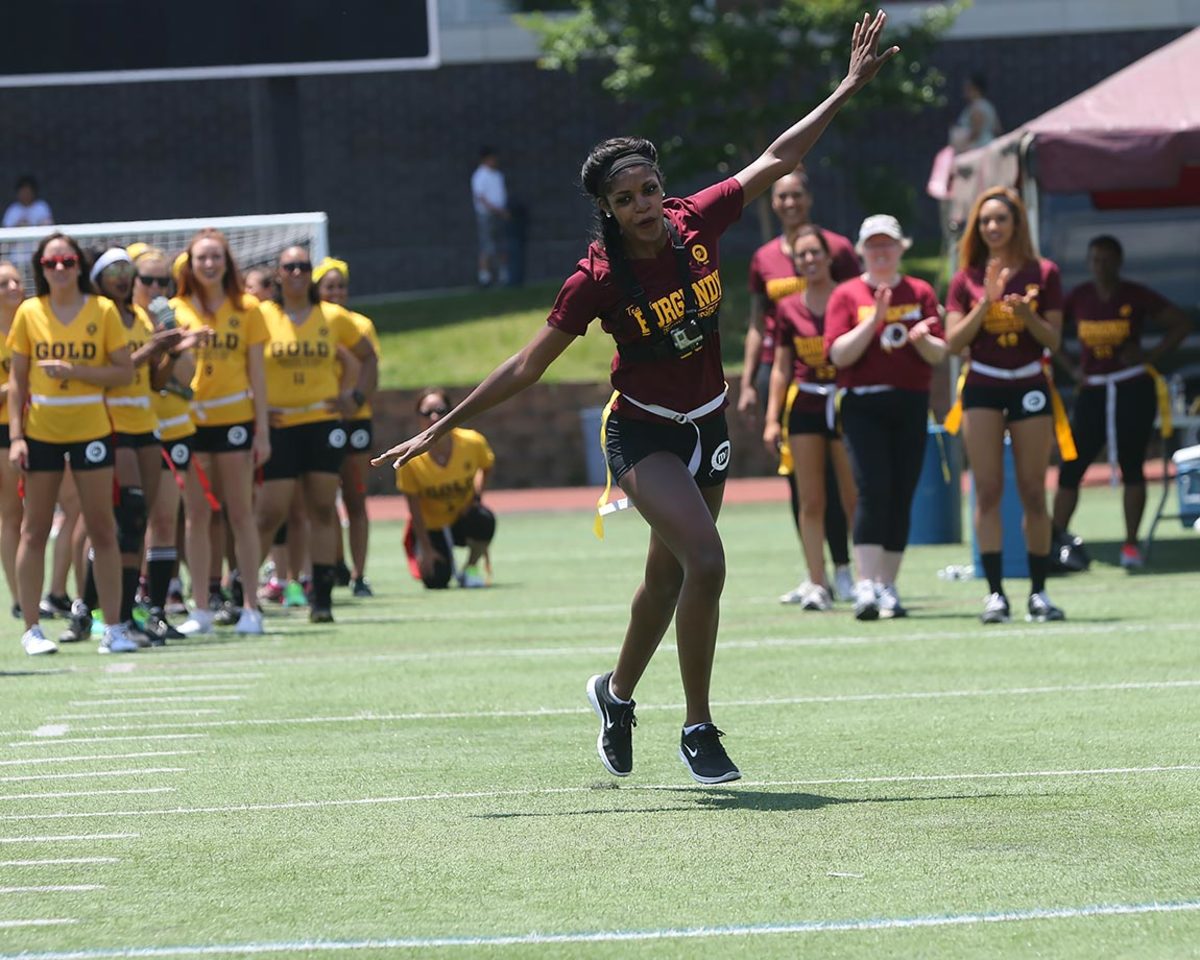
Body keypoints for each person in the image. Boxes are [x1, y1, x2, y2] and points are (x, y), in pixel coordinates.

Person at [374, 12, 896, 785]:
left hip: (708, 423)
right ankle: (698, 726)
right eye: (627, 199)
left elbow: (778, 157)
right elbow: (527, 365)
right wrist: (440, 424)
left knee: (668, 577)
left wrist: (845, 89)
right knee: (708, 562)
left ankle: (615, 696)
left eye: (650, 188)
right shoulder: (598, 279)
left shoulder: (698, 220)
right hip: (642, 435)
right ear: (608, 210)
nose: (645, 205)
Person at [945, 187, 1071, 625]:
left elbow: (1054, 340)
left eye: (1001, 219)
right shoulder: (965, 277)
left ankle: (1039, 591)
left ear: (1017, 223)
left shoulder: (1044, 272)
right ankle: (995, 593)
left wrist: (1026, 315)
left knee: (1034, 492)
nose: (993, 228)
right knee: (988, 490)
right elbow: (952, 342)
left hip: (1030, 384)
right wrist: (985, 302)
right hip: (982, 385)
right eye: (985, 221)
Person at [7, 233, 136, 655]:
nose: (59, 268)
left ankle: (115, 627)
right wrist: (17, 437)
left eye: (66, 260)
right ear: (40, 269)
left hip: (91, 430)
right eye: (51, 262)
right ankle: (32, 628)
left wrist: (76, 370)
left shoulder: (102, 310)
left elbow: (122, 373)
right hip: (42, 432)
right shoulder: (30, 311)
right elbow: (19, 381)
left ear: (79, 265)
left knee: (102, 526)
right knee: (34, 528)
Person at [737, 170, 860, 604]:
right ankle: (816, 575)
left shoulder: (837, 250)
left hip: (834, 371)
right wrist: (749, 380)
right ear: (772, 203)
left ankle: (848, 568)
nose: (789, 203)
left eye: (796, 195)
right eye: (781, 196)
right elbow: (757, 323)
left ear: (809, 199)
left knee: (842, 479)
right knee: (800, 482)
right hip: (785, 369)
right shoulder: (764, 258)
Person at [826, 215, 946, 620]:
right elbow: (838, 355)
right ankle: (866, 584)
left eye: (888, 245)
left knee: (901, 492)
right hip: (863, 405)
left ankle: (888, 584)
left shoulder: (920, 291)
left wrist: (923, 339)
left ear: (901, 248)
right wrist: (874, 321)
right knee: (872, 487)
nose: (881, 253)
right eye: (873, 245)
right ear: (861, 250)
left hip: (910, 402)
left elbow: (939, 353)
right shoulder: (846, 295)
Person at [1052, 235, 1190, 568]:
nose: (1100, 265)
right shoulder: (1080, 297)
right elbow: (1049, 333)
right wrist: (1072, 368)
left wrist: (1148, 357)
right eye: (1094, 259)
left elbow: (1181, 324)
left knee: (1132, 465)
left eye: (1106, 259)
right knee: (1072, 465)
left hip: (1131, 388)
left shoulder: (1134, 295)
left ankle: (1130, 545)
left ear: (1118, 262)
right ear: (1088, 263)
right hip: (1094, 390)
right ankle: (1055, 541)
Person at [255, 247, 377, 622]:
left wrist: (355, 398)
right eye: (289, 266)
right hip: (279, 427)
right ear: (278, 273)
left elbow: (367, 357)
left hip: (322, 424)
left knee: (322, 508)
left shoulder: (333, 317)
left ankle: (321, 598)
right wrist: (252, 405)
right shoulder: (261, 316)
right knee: (271, 512)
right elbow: (239, 365)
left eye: (303, 267)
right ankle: (241, 592)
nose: (296, 272)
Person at [171, 229, 269, 636]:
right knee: (196, 515)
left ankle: (251, 605)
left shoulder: (247, 308)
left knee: (240, 513)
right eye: (201, 258)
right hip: (189, 423)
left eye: (216, 257)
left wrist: (261, 430)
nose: (209, 264)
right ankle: (202, 609)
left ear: (228, 263)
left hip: (234, 421)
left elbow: (258, 376)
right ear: (189, 265)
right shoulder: (174, 309)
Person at [762, 226, 858, 611]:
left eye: (815, 252)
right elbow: (782, 367)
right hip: (805, 404)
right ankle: (817, 581)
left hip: (845, 403)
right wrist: (772, 418)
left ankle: (862, 575)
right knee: (811, 498)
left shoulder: (849, 297)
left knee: (852, 495)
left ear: (828, 256)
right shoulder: (788, 308)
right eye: (802, 255)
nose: (810, 260)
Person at [131, 245, 202, 640]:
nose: (156, 288)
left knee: (163, 520)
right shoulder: (121, 317)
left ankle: (157, 608)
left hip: (169, 430)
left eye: (163, 281)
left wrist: (172, 347)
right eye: (148, 280)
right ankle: (100, 607)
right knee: (123, 521)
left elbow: (186, 377)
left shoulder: (173, 317)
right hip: (129, 431)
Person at [314, 256, 382, 597]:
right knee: (319, 501)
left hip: (354, 420)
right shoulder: (309, 323)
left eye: (341, 286)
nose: (336, 292)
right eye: (329, 287)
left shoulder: (359, 324)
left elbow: (369, 367)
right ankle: (331, 565)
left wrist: (353, 400)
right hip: (318, 421)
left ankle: (359, 573)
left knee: (355, 498)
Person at [396, 389, 496, 591]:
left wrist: (475, 498)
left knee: (483, 519)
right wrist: (425, 548)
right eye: (427, 413)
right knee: (435, 579)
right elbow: (413, 509)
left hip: (461, 518)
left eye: (441, 411)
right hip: (431, 527)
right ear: (418, 417)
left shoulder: (472, 442)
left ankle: (471, 568)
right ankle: (441, 560)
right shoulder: (410, 459)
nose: (434, 417)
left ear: (451, 413)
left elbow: (486, 466)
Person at [0, 261, 24, 617]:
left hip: (44, 427)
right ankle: (20, 597)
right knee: (11, 512)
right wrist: (16, 386)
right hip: (5, 430)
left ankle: (53, 594)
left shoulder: (34, 323)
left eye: (17, 280)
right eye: (4, 282)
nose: (13, 286)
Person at [471, 146, 509, 287]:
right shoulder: (480, 175)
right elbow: (481, 197)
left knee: (501, 244)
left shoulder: (497, 175)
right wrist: (497, 210)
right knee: (487, 245)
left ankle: (503, 274)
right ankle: (484, 277)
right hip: (487, 215)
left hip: (499, 214)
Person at [949, 75, 1002, 154]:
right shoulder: (988, 106)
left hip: (977, 150)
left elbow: (976, 132)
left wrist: (961, 144)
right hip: (989, 147)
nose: (965, 91)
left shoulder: (976, 107)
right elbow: (997, 129)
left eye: (968, 88)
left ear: (975, 89)